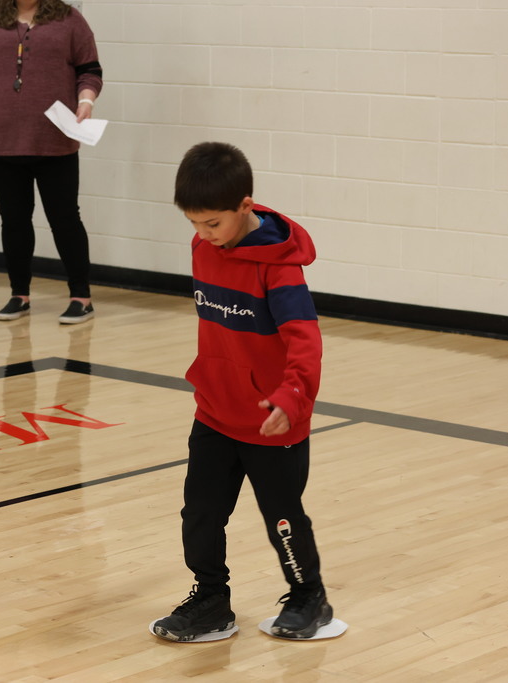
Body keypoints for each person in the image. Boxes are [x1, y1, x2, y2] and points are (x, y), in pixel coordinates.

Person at [152, 142, 333, 642]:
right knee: (201, 513)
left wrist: (291, 398)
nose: (202, 235)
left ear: (245, 206)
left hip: (272, 420)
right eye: (193, 224)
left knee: (282, 519)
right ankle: (211, 599)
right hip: (214, 411)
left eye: (213, 224)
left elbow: (306, 342)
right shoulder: (202, 248)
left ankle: (308, 597)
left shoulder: (280, 269)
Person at [0, 0, 102, 324]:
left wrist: (86, 101)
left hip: (54, 140)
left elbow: (90, 71)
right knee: (14, 219)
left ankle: (81, 296)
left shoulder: (70, 20)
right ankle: (19, 294)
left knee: (64, 218)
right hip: (0, 141)